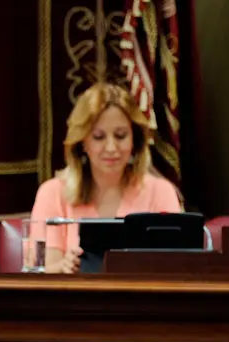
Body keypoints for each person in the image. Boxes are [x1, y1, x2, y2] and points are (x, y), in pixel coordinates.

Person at [30, 82, 184, 273]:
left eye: (120, 136)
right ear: (82, 142)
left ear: (135, 140)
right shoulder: (51, 193)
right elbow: (37, 273)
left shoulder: (161, 192)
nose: (111, 148)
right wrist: (64, 268)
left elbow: (175, 271)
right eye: (98, 137)